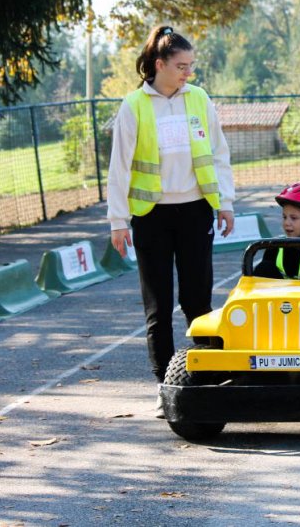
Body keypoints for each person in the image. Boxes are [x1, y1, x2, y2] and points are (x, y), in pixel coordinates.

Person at [106, 25, 235, 418]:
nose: (188, 73)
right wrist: (117, 221)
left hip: (196, 212)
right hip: (151, 217)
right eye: (182, 65)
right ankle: (165, 386)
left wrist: (225, 203)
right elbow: (120, 167)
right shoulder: (134, 106)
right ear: (159, 64)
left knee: (198, 302)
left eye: (191, 66)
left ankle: (204, 379)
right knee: (158, 308)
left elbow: (218, 153)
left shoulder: (199, 99)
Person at [253, 182, 300, 280]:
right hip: (282, 294)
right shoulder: (275, 247)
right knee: (264, 268)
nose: (286, 223)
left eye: (293, 218)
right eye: (284, 217)